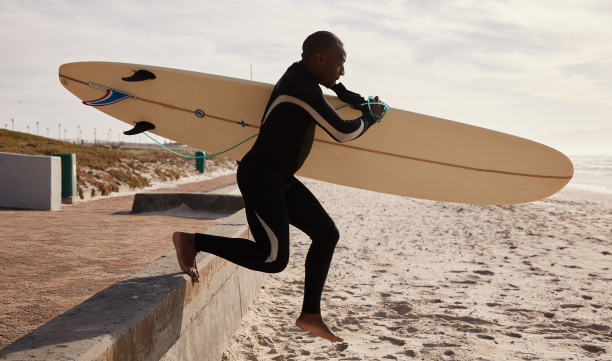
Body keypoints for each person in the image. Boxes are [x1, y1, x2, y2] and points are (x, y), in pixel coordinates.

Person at [173, 31, 384, 342]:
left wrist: (345, 92)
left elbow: (328, 87)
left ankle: (310, 315)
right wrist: (369, 117)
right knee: (273, 258)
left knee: (327, 234)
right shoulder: (300, 85)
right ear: (320, 58)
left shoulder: (302, 77)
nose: (343, 70)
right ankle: (192, 241)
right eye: (340, 63)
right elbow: (342, 132)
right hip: (260, 177)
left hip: (280, 178)